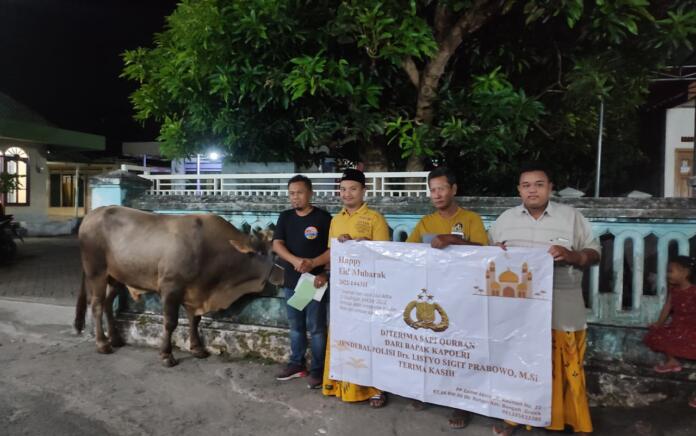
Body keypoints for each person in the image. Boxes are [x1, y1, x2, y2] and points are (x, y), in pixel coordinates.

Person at [488, 162, 600, 435]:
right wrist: (496, 252)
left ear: (550, 188)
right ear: (519, 190)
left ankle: (564, 420)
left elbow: (595, 254)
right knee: (516, 363)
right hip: (518, 309)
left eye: (539, 184)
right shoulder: (505, 220)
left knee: (565, 365)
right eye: (526, 185)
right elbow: (487, 255)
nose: (532, 190)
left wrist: (573, 256)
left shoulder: (571, 217)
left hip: (562, 304)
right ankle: (513, 415)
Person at [405, 166, 488, 429]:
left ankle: (461, 404)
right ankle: (427, 393)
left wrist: (454, 240)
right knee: (429, 345)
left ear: (454, 189)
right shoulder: (425, 223)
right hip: (432, 293)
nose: (437, 194)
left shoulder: (471, 219)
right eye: (433, 190)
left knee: (458, 349)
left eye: (442, 188)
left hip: (462, 294)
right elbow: (406, 253)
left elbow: (486, 252)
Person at [316, 168, 391, 408]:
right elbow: (333, 253)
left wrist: (363, 244)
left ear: (363, 191)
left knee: (369, 338)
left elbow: (385, 253)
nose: (347, 193)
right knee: (342, 337)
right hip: (342, 290)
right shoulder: (336, 219)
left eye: (353, 189)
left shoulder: (375, 218)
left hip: (368, 290)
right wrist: (324, 273)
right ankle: (339, 384)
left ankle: (376, 389)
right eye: (343, 189)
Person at [272, 175, 332, 389]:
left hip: (313, 283)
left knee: (316, 328)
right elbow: (277, 244)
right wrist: (296, 261)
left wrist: (316, 265)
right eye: (291, 193)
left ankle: (317, 369)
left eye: (299, 192)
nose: (295, 197)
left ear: (310, 193)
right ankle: (297, 364)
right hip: (292, 282)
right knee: (296, 327)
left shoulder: (324, 219)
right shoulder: (285, 217)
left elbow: (332, 250)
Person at [644, 256, 696, 375]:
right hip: (677, 326)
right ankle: (672, 361)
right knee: (658, 335)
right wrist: (658, 324)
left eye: (670, 271)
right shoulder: (674, 290)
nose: (667, 275)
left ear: (685, 272)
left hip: (692, 327)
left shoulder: (694, 291)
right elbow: (667, 307)